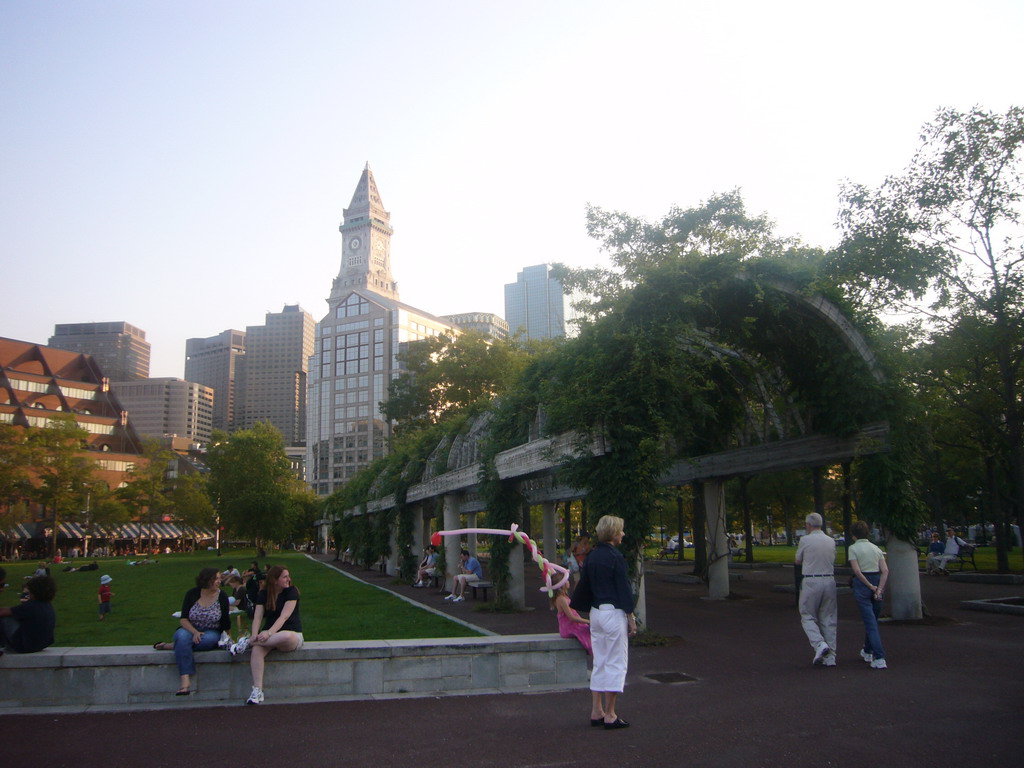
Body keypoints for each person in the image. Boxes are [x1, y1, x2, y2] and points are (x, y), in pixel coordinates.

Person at [570, 514, 636, 730]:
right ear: (614, 533)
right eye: (621, 530)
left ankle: (596, 710)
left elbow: (585, 586)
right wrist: (630, 616)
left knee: (600, 662)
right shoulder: (616, 557)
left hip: (595, 613)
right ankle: (610, 714)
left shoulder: (593, 556)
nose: (623, 534)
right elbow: (623, 588)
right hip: (613, 612)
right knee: (616, 662)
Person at [155, 567, 231, 695]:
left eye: (220, 578)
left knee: (207, 641)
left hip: (211, 631)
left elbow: (225, 620)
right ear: (207, 580)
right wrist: (195, 632)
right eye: (216, 579)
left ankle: (174, 646)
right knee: (182, 636)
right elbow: (183, 619)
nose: (219, 581)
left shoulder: (222, 596)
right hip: (190, 628)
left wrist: (229, 638)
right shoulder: (192, 594)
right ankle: (185, 680)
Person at [243, 565, 304, 705]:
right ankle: (257, 691)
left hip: (289, 635)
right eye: (285, 576)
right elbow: (257, 617)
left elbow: (284, 617)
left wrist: (269, 633)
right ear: (275, 580)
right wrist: (254, 634)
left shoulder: (292, 592)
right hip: (267, 639)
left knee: (286, 636)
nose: (289, 579)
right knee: (257, 649)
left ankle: (246, 643)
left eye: (288, 576)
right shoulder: (263, 594)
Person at [794, 512, 837, 666]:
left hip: (811, 580)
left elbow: (798, 560)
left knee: (807, 615)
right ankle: (830, 657)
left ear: (808, 525)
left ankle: (819, 643)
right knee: (828, 618)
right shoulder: (831, 541)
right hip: (829, 579)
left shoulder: (805, 540)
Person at [847, 520, 889, 669]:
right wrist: (879, 589)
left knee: (870, 622)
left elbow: (857, 571)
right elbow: (885, 571)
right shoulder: (876, 548)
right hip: (877, 580)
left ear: (854, 535)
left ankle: (879, 656)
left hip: (863, 584)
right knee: (873, 620)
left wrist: (869, 586)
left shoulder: (853, 549)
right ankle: (867, 650)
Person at [0, 574, 56, 655]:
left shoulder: (31, 606)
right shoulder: (48, 605)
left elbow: (3, 612)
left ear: (33, 592)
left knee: (5, 619)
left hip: (24, 647)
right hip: (42, 644)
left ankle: (4, 646)